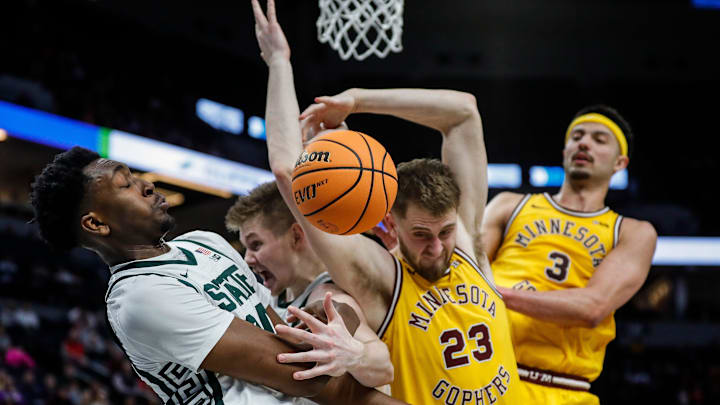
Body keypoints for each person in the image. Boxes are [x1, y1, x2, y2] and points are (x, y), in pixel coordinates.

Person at [251, 0, 522, 403]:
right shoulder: (378, 277)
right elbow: (289, 170)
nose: (436, 246)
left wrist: (358, 99)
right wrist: (279, 63)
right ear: (391, 226)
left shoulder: (466, 245)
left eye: (444, 231)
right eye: (421, 234)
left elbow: (464, 112)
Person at [29, 150, 406, 404]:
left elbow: (291, 337)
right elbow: (303, 372)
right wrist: (343, 315)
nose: (147, 185)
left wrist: (334, 312)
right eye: (125, 184)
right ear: (96, 223)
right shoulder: (140, 296)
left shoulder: (204, 243)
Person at [481, 106, 657, 404]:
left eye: (599, 139)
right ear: (565, 151)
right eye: (577, 136)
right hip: (482, 376)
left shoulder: (631, 232)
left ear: (620, 163)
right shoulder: (510, 205)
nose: (584, 143)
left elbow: (591, 307)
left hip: (562, 389)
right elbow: (460, 271)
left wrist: (495, 294)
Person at [225, 181, 394, 388]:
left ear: (296, 236)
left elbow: (383, 366)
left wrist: (354, 356)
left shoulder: (327, 297)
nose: (248, 258)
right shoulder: (276, 296)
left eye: (255, 245)